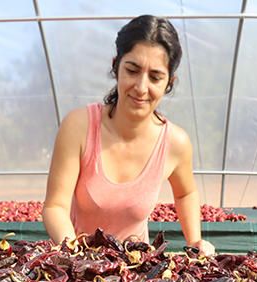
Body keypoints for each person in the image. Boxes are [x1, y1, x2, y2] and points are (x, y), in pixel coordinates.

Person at [42, 15, 216, 255]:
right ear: (116, 66)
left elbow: (186, 192)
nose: (141, 87)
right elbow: (55, 206)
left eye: (155, 77)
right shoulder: (79, 126)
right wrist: (75, 256)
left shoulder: (175, 142)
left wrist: (195, 240)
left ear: (169, 82)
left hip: (135, 273)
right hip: (77, 267)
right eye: (132, 70)